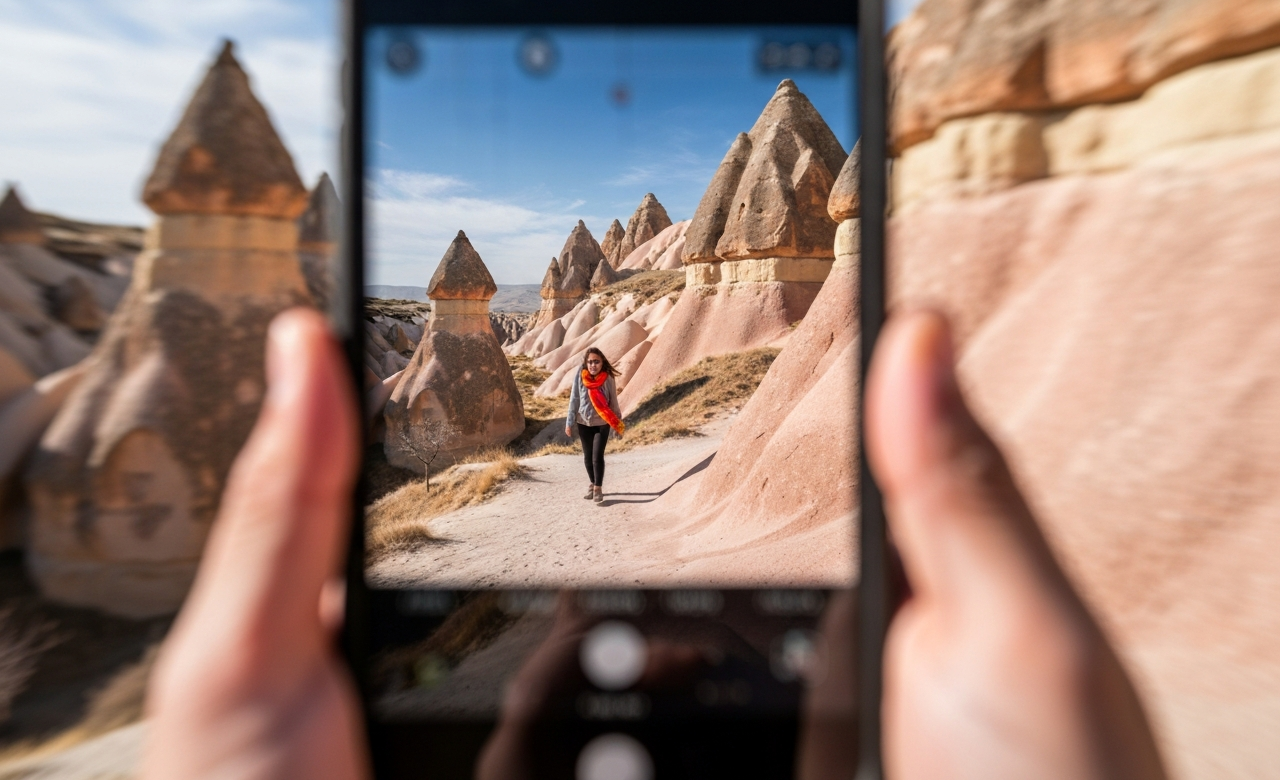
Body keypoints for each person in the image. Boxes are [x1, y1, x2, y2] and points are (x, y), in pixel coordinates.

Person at [140, 308, 1168, 780]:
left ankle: (591, 484)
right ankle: (591, 483)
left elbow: (610, 387)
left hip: (591, 427)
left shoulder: (594, 372)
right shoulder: (582, 375)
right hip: (585, 429)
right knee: (586, 462)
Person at [564, 346, 624, 505]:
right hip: (583, 422)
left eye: (596, 362)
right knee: (587, 458)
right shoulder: (580, 375)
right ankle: (592, 482)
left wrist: (617, 424)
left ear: (602, 362)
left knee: (597, 457)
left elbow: (613, 402)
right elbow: (574, 398)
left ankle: (598, 488)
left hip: (602, 423)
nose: (593, 365)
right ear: (586, 363)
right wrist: (569, 422)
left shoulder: (608, 377)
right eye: (590, 362)